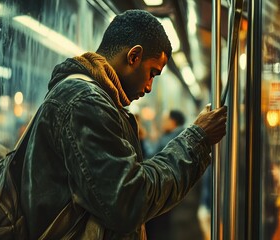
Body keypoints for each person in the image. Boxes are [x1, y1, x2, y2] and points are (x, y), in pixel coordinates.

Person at [20, 9, 227, 239]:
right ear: (134, 56)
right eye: (152, 74)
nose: (149, 87)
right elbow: (129, 201)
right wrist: (196, 139)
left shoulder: (93, 101)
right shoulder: (85, 102)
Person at [146, 110, 204, 240]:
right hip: (188, 208)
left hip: (171, 212)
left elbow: (151, 167)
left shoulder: (167, 141)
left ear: (173, 122)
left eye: (165, 120)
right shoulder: (189, 140)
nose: (162, 123)